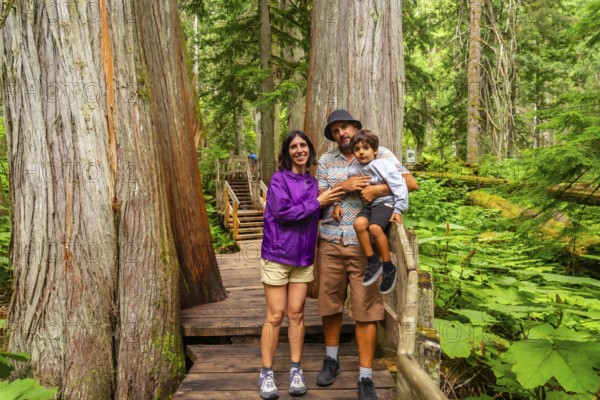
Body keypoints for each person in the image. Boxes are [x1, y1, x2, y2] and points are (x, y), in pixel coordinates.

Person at [315, 110, 417, 400]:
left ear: (356, 128)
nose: (341, 134)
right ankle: (331, 360)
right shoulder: (325, 161)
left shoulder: (381, 153)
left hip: (364, 249)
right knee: (330, 305)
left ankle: (366, 376)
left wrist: (376, 189)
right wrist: (339, 190)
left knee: (367, 309)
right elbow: (319, 198)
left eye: (344, 128)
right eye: (335, 131)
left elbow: (409, 184)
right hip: (331, 242)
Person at [259, 130, 343, 399]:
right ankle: (267, 373)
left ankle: (296, 369)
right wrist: (318, 201)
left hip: (303, 258)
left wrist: (334, 205)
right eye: (293, 146)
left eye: (303, 145)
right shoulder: (278, 179)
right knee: (275, 315)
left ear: (309, 150)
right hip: (277, 254)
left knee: (296, 314)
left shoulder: (312, 182)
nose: (299, 150)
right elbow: (284, 213)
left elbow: (318, 209)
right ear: (287, 152)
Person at [332, 129, 408, 295]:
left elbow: (400, 185)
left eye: (365, 148)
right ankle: (373, 262)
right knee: (359, 224)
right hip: (369, 206)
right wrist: (337, 203)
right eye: (357, 149)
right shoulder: (354, 170)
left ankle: (388, 265)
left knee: (374, 228)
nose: (361, 152)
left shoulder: (383, 165)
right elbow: (346, 188)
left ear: (374, 150)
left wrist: (398, 209)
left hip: (386, 204)